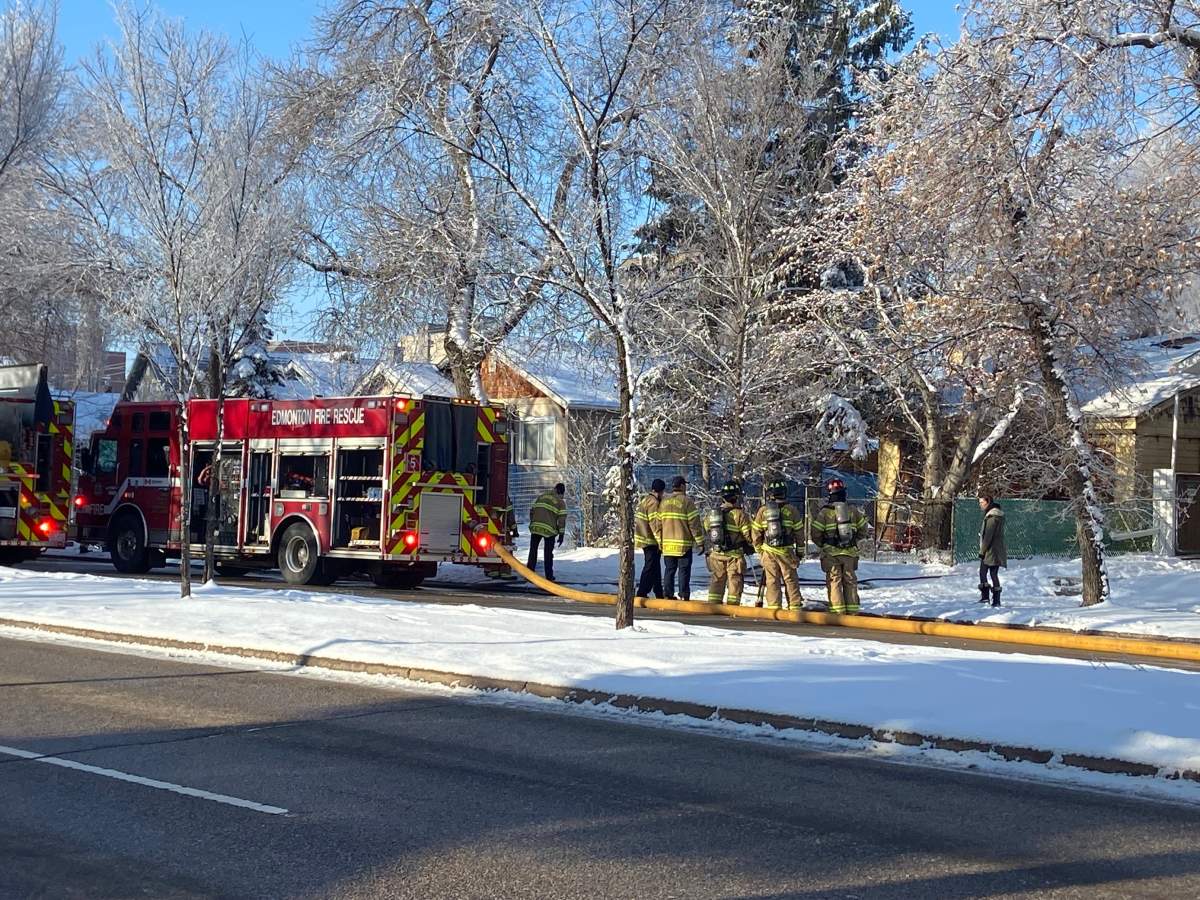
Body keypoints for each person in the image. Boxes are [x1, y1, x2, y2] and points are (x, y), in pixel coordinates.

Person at [811, 478, 870, 614]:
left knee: (834, 580)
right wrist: (853, 541)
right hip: (850, 552)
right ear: (844, 493)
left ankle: (838, 612)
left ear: (830, 494)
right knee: (850, 580)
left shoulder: (824, 513)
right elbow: (864, 530)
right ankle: (853, 611)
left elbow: (815, 533)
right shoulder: (853, 511)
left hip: (831, 553)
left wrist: (824, 545)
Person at [751, 477, 806, 610]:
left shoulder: (763, 511)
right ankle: (795, 607)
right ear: (784, 492)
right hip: (787, 552)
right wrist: (800, 552)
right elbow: (799, 534)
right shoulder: (792, 510)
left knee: (772, 581)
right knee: (790, 580)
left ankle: (774, 607)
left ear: (771, 493)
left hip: (768, 552)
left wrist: (760, 551)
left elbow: (756, 533)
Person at [653, 475, 704, 601]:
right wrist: (700, 542)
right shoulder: (687, 502)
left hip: (668, 546)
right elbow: (694, 524)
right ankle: (684, 595)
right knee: (683, 571)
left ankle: (668, 594)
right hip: (683, 545)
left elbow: (657, 525)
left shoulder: (664, 502)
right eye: (685, 485)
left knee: (669, 570)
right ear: (681, 486)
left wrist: (660, 541)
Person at [704, 480, 754, 605]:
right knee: (735, 581)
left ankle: (713, 607)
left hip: (716, 554)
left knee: (717, 580)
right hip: (734, 556)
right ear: (736, 497)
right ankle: (732, 607)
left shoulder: (713, 514)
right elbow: (748, 535)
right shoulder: (739, 514)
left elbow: (706, 528)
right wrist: (750, 545)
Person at [527, 483, 567, 581]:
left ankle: (529, 574)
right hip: (549, 530)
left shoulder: (542, 496)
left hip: (535, 527)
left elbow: (532, 511)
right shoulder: (560, 502)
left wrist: (533, 522)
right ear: (561, 492)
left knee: (533, 551)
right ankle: (549, 576)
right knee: (548, 553)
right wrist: (561, 534)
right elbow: (561, 520)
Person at [635, 478, 666, 598]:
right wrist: (660, 541)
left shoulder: (645, 500)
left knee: (655, 566)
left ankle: (658, 591)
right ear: (660, 491)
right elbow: (655, 524)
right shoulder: (653, 502)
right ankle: (642, 591)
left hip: (644, 538)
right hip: (650, 540)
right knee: (650, 566)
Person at [978, 494, 1007, 607]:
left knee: (983, 572)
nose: (980, 505)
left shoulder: (992, 517)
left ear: (988, 502)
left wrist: (982, 551)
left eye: (982, 503)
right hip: (997, 549)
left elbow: (988, 536)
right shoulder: (998, 516)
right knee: (994, 574)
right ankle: (996, 600)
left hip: (990, 550)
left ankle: (986, 597)